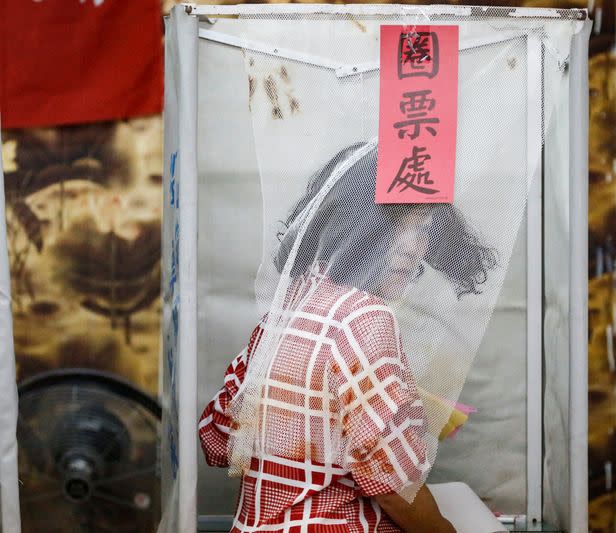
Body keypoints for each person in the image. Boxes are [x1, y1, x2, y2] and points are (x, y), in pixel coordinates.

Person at [199, 144, 496, 532]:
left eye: (422, 229)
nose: (411, 247)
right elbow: (392, 486)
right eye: (391, 224)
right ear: (352, 225)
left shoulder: (287, 311)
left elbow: (217, 441)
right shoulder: (365, 318)